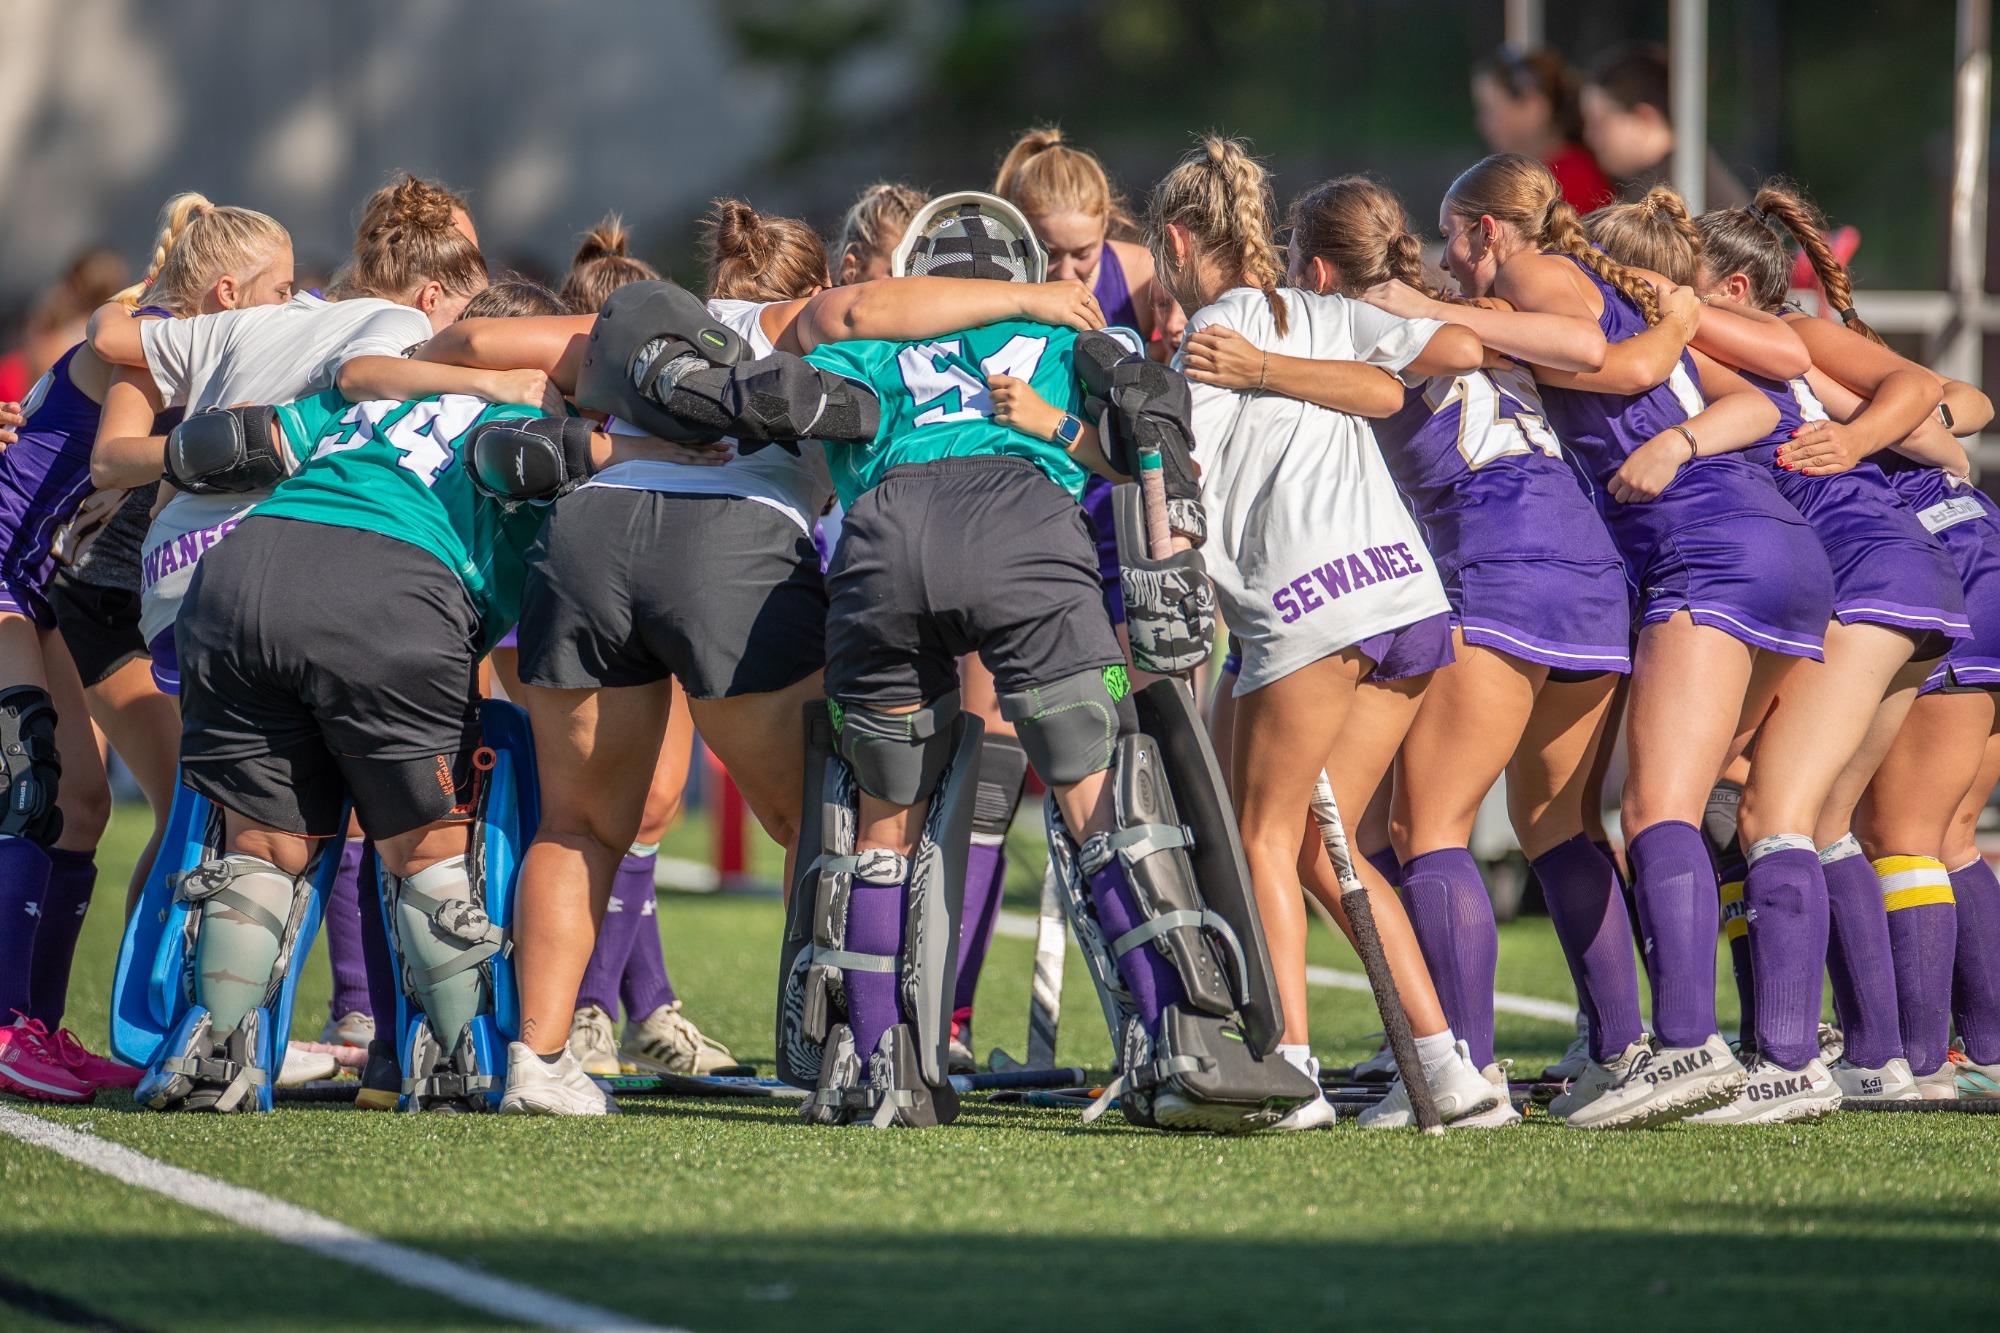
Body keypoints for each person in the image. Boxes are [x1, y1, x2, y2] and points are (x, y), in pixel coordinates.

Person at [411, 201, 1107, 1114]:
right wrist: (1042, 299)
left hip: (591, 535)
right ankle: (833, 1041)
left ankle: (536, 1061)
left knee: (578, 825)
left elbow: (462, 346)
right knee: (828, 820)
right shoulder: (804, 321)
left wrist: (589, 427)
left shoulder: (629, 325)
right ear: (819, 282)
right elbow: (864, 317)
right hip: (730, 550)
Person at [1363, 153, 1829, 1126]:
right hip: (1766, 542)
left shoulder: (1536, 277)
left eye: (1454, 235)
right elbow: (1766, 386)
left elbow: (1599, 355)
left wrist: (1419, 311)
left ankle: (1679, 1047)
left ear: (1488, 230)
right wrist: (1675, 411)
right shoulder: (1622, 291)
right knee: (1723, 810)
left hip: (1696, 547)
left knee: (1654, 810)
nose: (1452, 261)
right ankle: (1763, 1053)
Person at [1184, 174, 1630, 1122]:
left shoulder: (1356, 311)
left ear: (1312, 268)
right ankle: (1526, 1056)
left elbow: (1443, 354)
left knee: (1407, 830)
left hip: (1479, 563)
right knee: (1519, 824)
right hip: (1567, 570)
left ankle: (1390, 1062)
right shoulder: (1425, 309)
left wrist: (1370, 321)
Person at [1586, 186, 1961, 1120]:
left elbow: (1927, 403)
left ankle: (1791, 1057)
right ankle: (1880, 1058)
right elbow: (1950, 429)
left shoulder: (1728, 338)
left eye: (1694, 286)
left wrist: (1854, 442)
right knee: (1820, 814)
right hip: (1898, 574)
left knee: (1772, 808)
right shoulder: (1722, 351)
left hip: (1867, 573)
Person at [1151, 137, 1498, 1131]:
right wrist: (1286, 366)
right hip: (1406, 601)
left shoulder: (1210, 334)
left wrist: (1060, 427)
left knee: (1259, 833)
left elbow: (1180, 483)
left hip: (1309, 605)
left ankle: (1287, 1072)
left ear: (1176, 240)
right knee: (1321, 850)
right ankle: (1445, 1069)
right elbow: (1415, 373)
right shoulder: (1325, 312)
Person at [0, 194, 294, 1104]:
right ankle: (7, 1025)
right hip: (6, 570)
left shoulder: (199, 338)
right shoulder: (155, 333)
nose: (289, 306)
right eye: (276, 291)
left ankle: (38, 1026)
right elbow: (111, 334)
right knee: (27, 773)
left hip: (43, 587)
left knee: (82, 806)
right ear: (222, 288)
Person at [1582, 43, 1751, 209]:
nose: (1589, 136)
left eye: (1599, 123)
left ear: (1645, 119)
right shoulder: (1691, 171)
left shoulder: (1665, 195)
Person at [1472, 46, 1616, 213]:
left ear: (1533, 107)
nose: (1481, 123)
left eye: (1490, 109)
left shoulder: (1570, 182)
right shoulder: (1550, 174)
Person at [832, 183, 928, 286]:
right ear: (852, 271)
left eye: (924, 273)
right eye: (897, 272)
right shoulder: (819, 301)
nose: (914, 288)